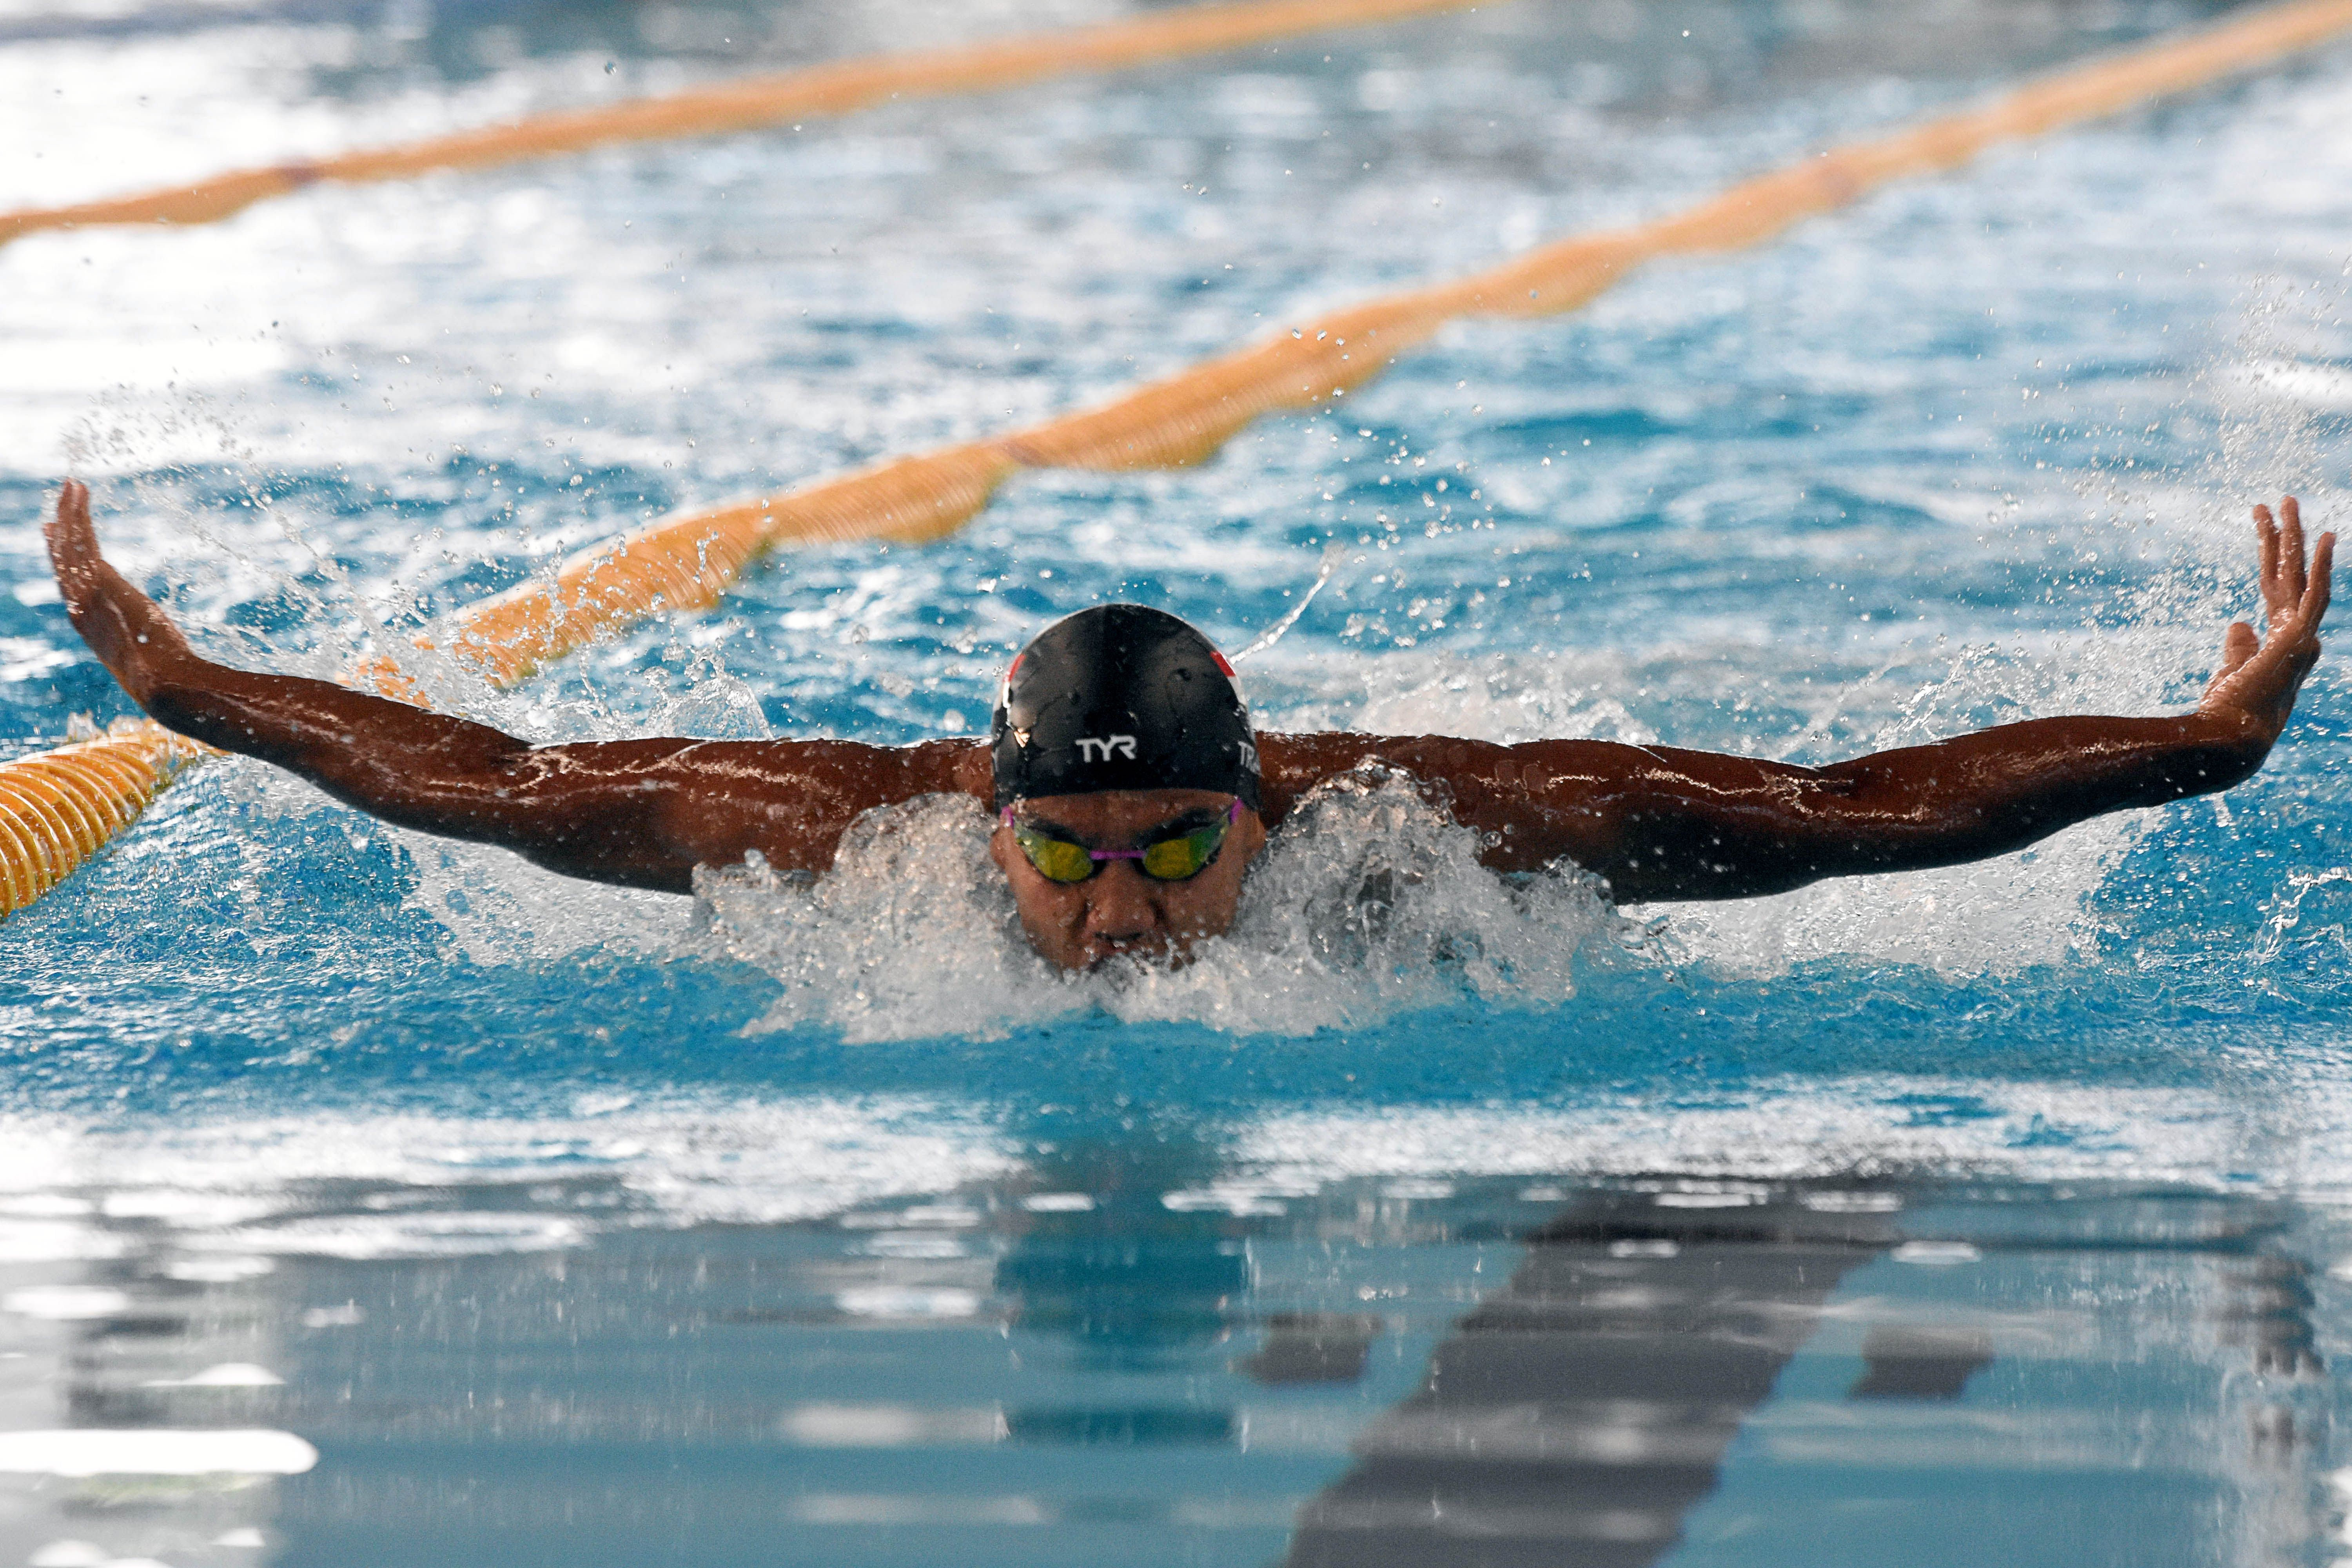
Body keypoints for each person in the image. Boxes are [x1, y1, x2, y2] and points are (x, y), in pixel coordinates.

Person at [42, 479, 2332, 972]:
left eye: (1174, 855)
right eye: (1071, 858)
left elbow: (1836, 813)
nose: (1125, 914)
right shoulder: (848, 837)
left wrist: (2194, 741)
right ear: (994, 822)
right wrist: (190, 697)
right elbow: (503, 785)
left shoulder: (1426, 833)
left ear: (1261, 810)